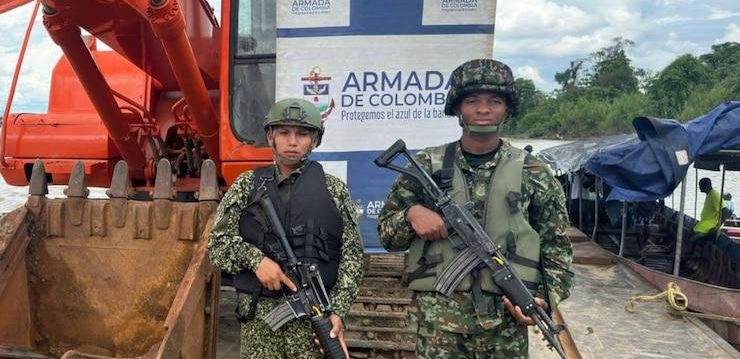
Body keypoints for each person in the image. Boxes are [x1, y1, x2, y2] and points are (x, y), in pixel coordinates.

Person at [377, 59, 574, 358]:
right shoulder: (427, 165)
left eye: (495, 101)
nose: (483, 109)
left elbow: (556, 248)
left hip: (506, 326)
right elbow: (386, 235)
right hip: (439, 325)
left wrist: (543, 298)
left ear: (507, 109)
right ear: (458, 107)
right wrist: (410, 215)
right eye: (472, 101)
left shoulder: (533, 171)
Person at [208, 98, 364, 358]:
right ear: (270, 136)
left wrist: (338, 310)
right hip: (259, 326)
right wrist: (257, 261)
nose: (292, 142)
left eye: (302, 134)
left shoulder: (334, 190)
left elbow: (353, 257)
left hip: (313, 327)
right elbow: (217, 245)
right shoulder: (247, 185)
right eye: (284, 133)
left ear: (315, 140)